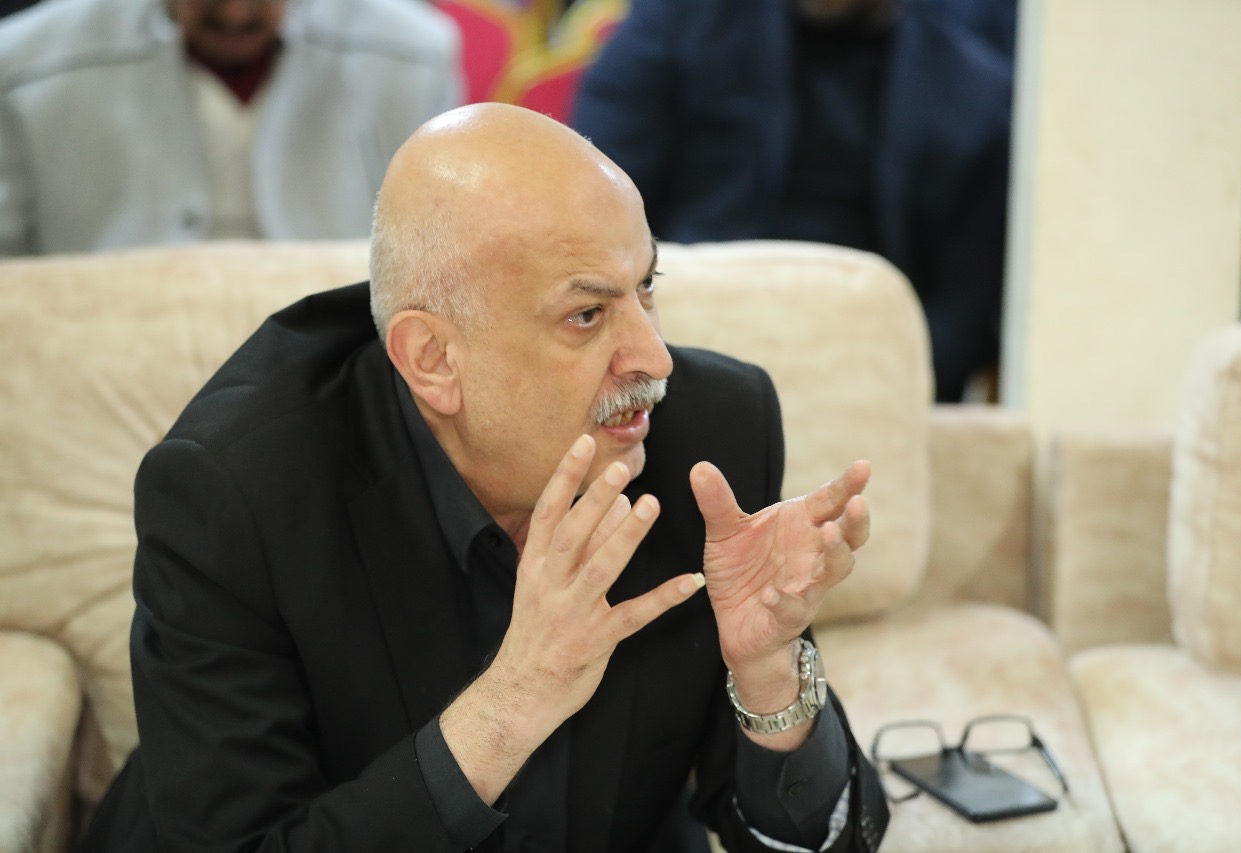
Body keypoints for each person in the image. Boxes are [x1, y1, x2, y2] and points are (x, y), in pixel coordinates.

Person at [80, 103, 890, 851]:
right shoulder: (235, 493)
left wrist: (768, 673)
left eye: (646, 287)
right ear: (433, 360)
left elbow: (820, 839)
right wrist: (513, 702)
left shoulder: (709, 435)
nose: (654, 358)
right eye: (586, 314)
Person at [571, 0, 1013, 402]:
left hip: (871, 369)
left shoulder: (972, 86)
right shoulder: (676, 25)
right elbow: (595, 201)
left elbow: (968, 299)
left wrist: (878, 381)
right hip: (681, 337)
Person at [0, 0, 460, 256]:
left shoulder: (414, 57)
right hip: (106, 363)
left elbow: (439, 258)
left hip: (338, 368)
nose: (236, 13)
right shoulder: (25, 66)